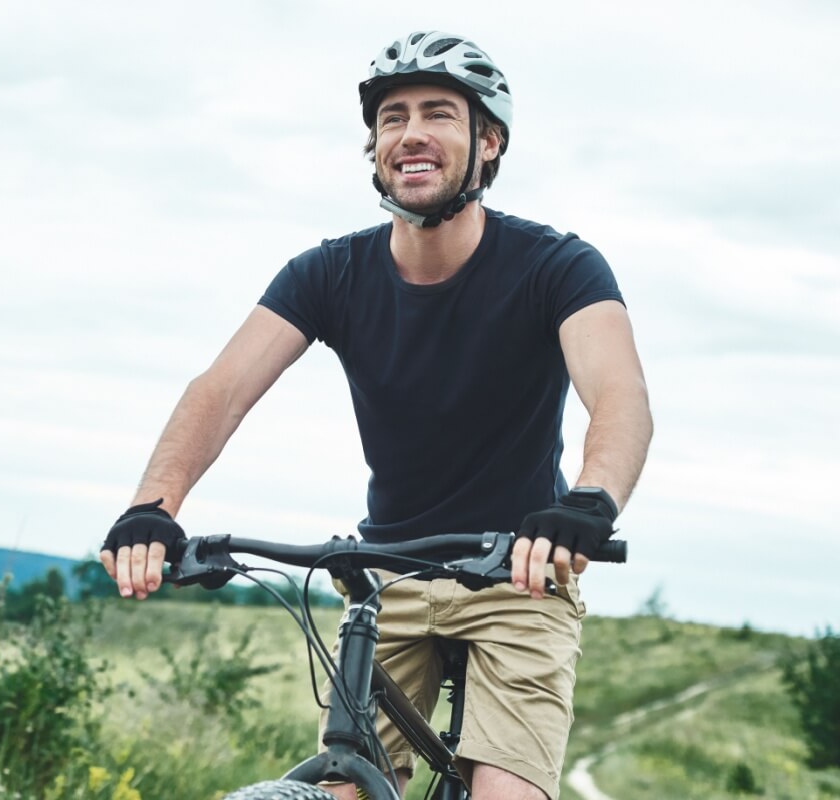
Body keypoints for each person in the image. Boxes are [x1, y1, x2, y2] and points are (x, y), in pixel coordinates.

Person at [100, 30, 652, 800]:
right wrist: (151, 507)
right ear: (376, 148)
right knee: (343, 787)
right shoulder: (329, 272)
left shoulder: (557, 266)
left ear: (488, 143)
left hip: (518, 572)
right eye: (392, 118)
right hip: (387, 573)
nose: (411, 132)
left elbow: (619, 394)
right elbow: (220, 390)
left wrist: (587, 503)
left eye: (439, 114)